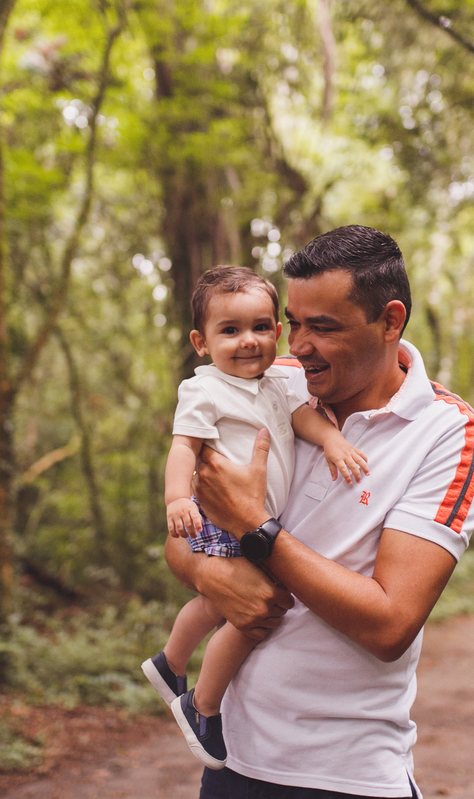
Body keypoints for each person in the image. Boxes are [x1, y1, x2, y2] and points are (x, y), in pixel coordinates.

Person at [165, 226, 474, 799]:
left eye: (324, 327)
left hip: (349, 770)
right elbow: (183, 535)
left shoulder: (446, 430)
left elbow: (390, 624)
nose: (297, 346)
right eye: (294, 322)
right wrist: (209, 573)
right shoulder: (264, 385)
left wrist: (256, 531)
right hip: (234, 761)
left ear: (390, 322)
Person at [142, 266, 369, 770]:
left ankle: (169, 662)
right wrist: (176, 499)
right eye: (231, 330)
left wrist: (332, 440)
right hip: (224, 521)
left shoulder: (279, 385)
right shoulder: (204, 390)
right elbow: (184, 449)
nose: (249, 341)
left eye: (261, 327)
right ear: (201, 342)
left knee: (216, 604)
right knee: (250, 617)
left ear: (278, 332)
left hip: (258, 520)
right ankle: (202, 704)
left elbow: (302, 418)